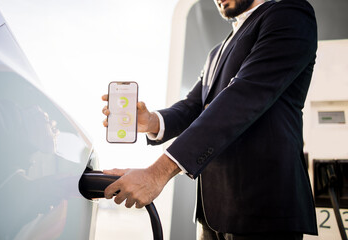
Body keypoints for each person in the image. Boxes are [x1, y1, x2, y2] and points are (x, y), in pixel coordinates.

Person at [101, 0, 318, 239]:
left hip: (265, 211)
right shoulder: (216, 52)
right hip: (212, 214)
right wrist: (151, 121)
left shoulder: (290, 14)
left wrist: (157, 172)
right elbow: (193, 106)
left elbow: (243, 97)